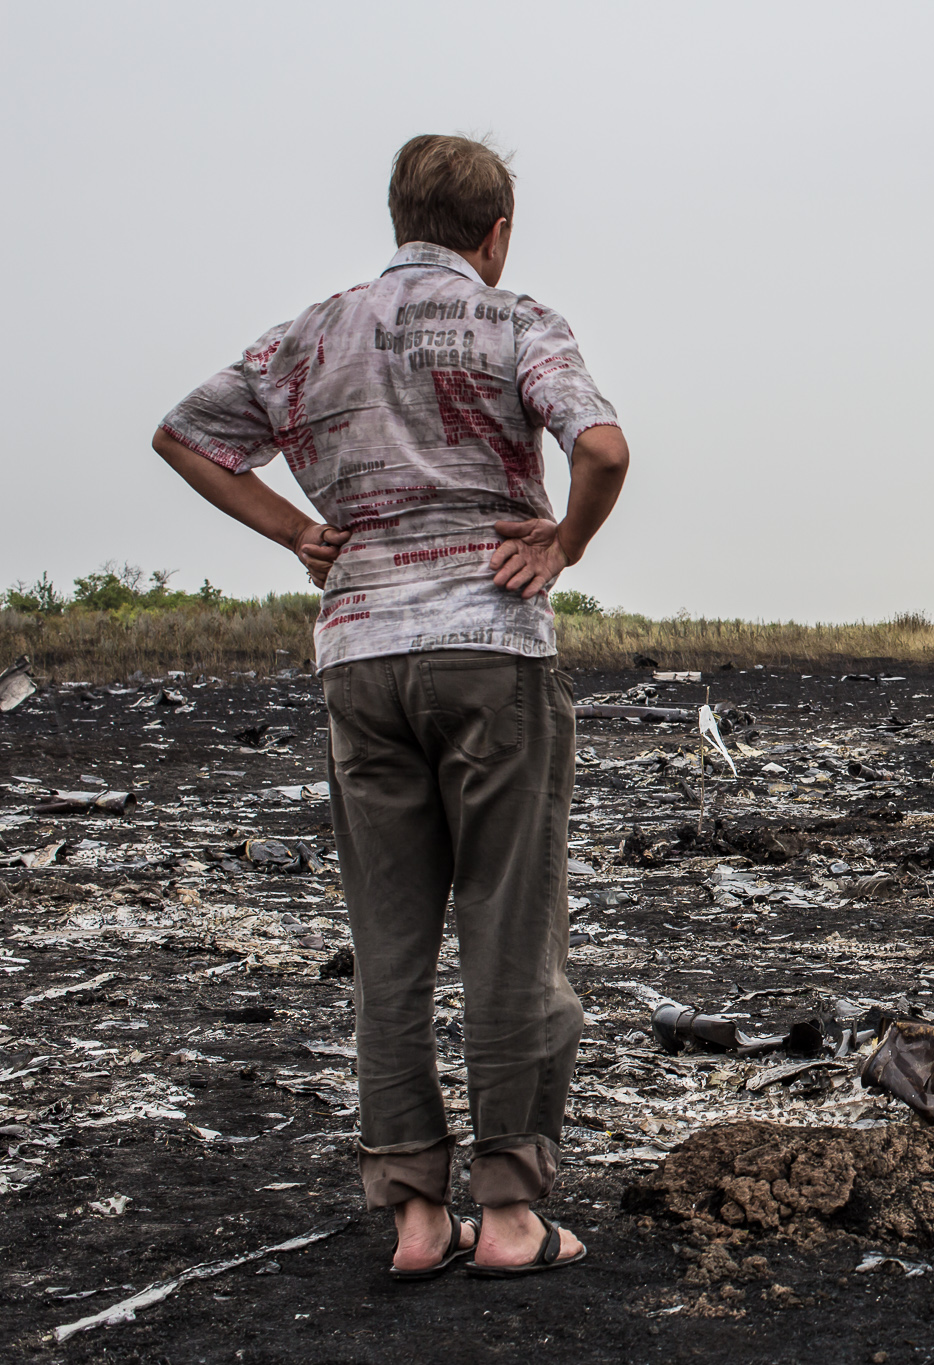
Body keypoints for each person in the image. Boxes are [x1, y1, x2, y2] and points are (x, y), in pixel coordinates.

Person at [153, 134, 628, 1279]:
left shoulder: (312, 334)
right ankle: (511, 1212)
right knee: (511, 932)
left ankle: (415, 1211)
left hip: (359, 652)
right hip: (485, 644)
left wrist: (298, 533)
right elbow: (602, 449)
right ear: (496, 234)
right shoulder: (517, 325)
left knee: (391, 942)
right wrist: (562, 541)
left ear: (396, 219)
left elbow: (185, 434)